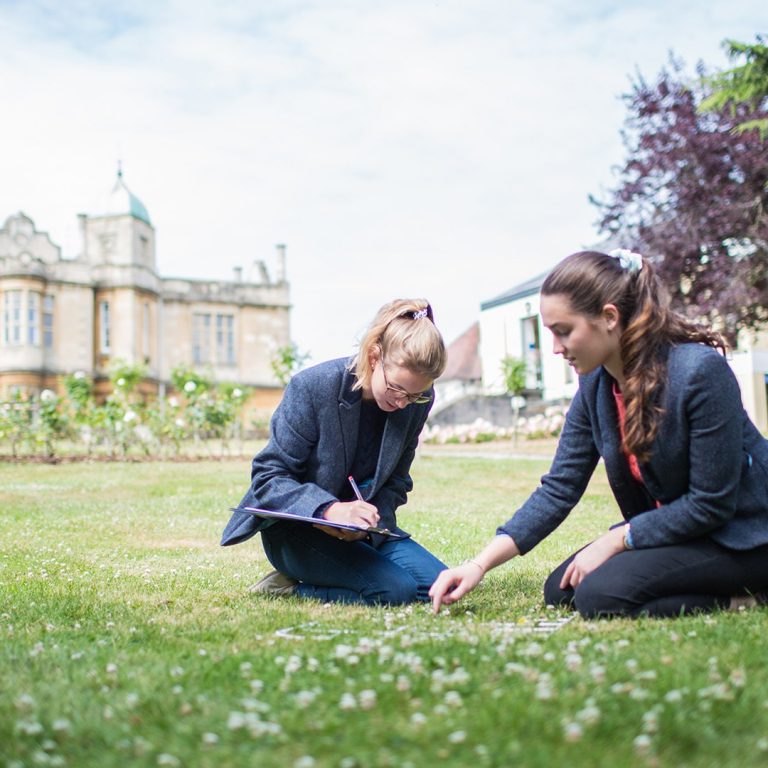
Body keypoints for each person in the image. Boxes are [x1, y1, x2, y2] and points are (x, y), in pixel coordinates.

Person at [430, 249, 768, 619]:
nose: (556, 349)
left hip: (742, 536)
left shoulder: (699, 372)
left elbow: (710, 503)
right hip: (679, 533)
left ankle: (749, 597)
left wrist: (617, 539)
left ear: (609, 317)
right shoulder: (595, 385)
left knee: (601, 596)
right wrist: (478, 564)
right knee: (562, 589)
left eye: (564, 332)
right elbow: (559, 487)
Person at [221, 298, 448, 605]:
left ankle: (349, 570)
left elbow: (396, 480)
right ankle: (287, 587)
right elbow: (268, 478)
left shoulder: (417, 398)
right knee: (395, 591)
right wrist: (330, 510)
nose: (403, 403)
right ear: (373, 356)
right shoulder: (313, 387)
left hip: (362, 534)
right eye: (396, 389)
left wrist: (370, 524)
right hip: (297, 530)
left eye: (415, 396)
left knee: (442, 587)